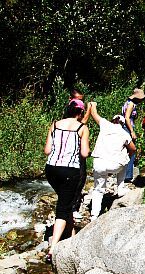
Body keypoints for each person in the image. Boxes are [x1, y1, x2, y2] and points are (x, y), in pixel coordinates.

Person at [44, 99, 90, 263]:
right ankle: (53, 248)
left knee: (66, 201)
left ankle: (71, 237)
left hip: (51, 169)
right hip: (70, 170)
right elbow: (84, 153)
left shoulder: (55, 124)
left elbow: (47, 150)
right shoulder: (82, 128)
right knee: (63, 206)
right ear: (80, 113)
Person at [89, 102, 136, 221]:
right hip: (115, 166)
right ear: (122, 124)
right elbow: (133, 149)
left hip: (99, 163)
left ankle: (94, 215)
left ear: (112, 120)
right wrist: (128, 156)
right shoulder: (124, 133)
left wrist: (93, 105)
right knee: (125, 159)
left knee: (98, 189)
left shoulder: (105, 125)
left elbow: (94, 114)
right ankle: (120, 188)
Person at [69, 89, 91, 220]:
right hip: (75, 152)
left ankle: (70, 206)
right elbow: (82, 124)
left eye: (81, 100)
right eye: (78, 100)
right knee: (79, 178)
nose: (80, 103)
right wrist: (89, 109)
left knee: (79, 178)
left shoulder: (70, 109)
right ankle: (73, 208)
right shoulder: (73, 110)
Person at [121, 88, 145, 183]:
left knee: (127, 150)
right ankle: (127, 175)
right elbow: (127, 118)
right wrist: (132, 131)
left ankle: (124, 174)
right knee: (132, 150)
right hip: (128, 128)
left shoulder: (127, 102)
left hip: (126, 127)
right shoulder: (131, 104)